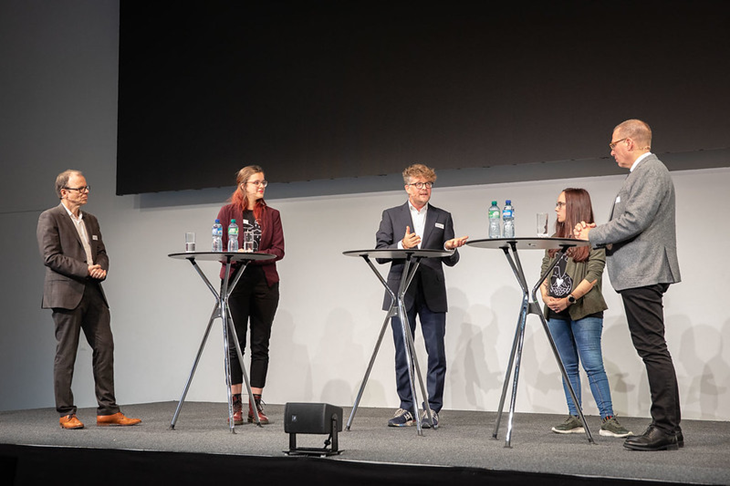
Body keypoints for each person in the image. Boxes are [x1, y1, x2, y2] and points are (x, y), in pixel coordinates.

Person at [575, 119, 682, 451]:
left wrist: (591, 234)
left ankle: (666, 427)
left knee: (652, 349)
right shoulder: (643, 173)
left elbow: (634, 221)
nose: (611, 151)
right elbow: (630, 221)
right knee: (652, 348)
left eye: (613, 144)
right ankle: (667, 427)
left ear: (630, 142)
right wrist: (602, 229)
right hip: (640, 271)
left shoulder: (650, 171)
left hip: (644, 271)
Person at [36, 170, 141, 429]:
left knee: (105, 348)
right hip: (66, 293)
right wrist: (86, 269)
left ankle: (108, 410)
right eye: (79, 188)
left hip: (93, 293)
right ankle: (66, 413)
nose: (85, 192)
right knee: (66, 354)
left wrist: (101, 267)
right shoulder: (50, 217)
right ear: (64, 192)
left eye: (86, 187)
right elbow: (50, 257)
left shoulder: (91, 220)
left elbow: (101, 251)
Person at [375, 164, 468, 428]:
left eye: (428, 184)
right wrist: (401, 245)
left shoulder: (443, 216)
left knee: (436, 352)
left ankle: (432, 408)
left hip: (433, 292)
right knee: (403, 351)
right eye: (419, 184)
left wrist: (450, 247)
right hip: (401, 290)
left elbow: (452, 259)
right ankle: (406, 407)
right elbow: (381, 253)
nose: (424, 189)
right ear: (407, 188)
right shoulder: (391, 215)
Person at [540, 188, 632, 438]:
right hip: (556, 311)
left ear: (575, 207)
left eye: (561, 204)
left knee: (592, 364)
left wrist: (569, 299)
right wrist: (547, 298)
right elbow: (544, 274)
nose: (556, 208)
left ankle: (608, 419)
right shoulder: (553, 239)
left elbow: (594, 274)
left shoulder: (594, 237)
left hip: (585, 309)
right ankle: (575, 417)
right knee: (568, 367)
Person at [217, 165, 284, 425]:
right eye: (256, 182)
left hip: (264, 283)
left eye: (263, 182)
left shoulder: (272, 215)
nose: (261, 186)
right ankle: (235, 403)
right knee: (235, 345)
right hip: (235, 282)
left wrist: (254, 257)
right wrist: (240, 255)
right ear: (243, 185)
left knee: (260, 344)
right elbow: (221, 249)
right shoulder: (227, 213)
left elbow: (279, 249)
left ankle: (255, 404)